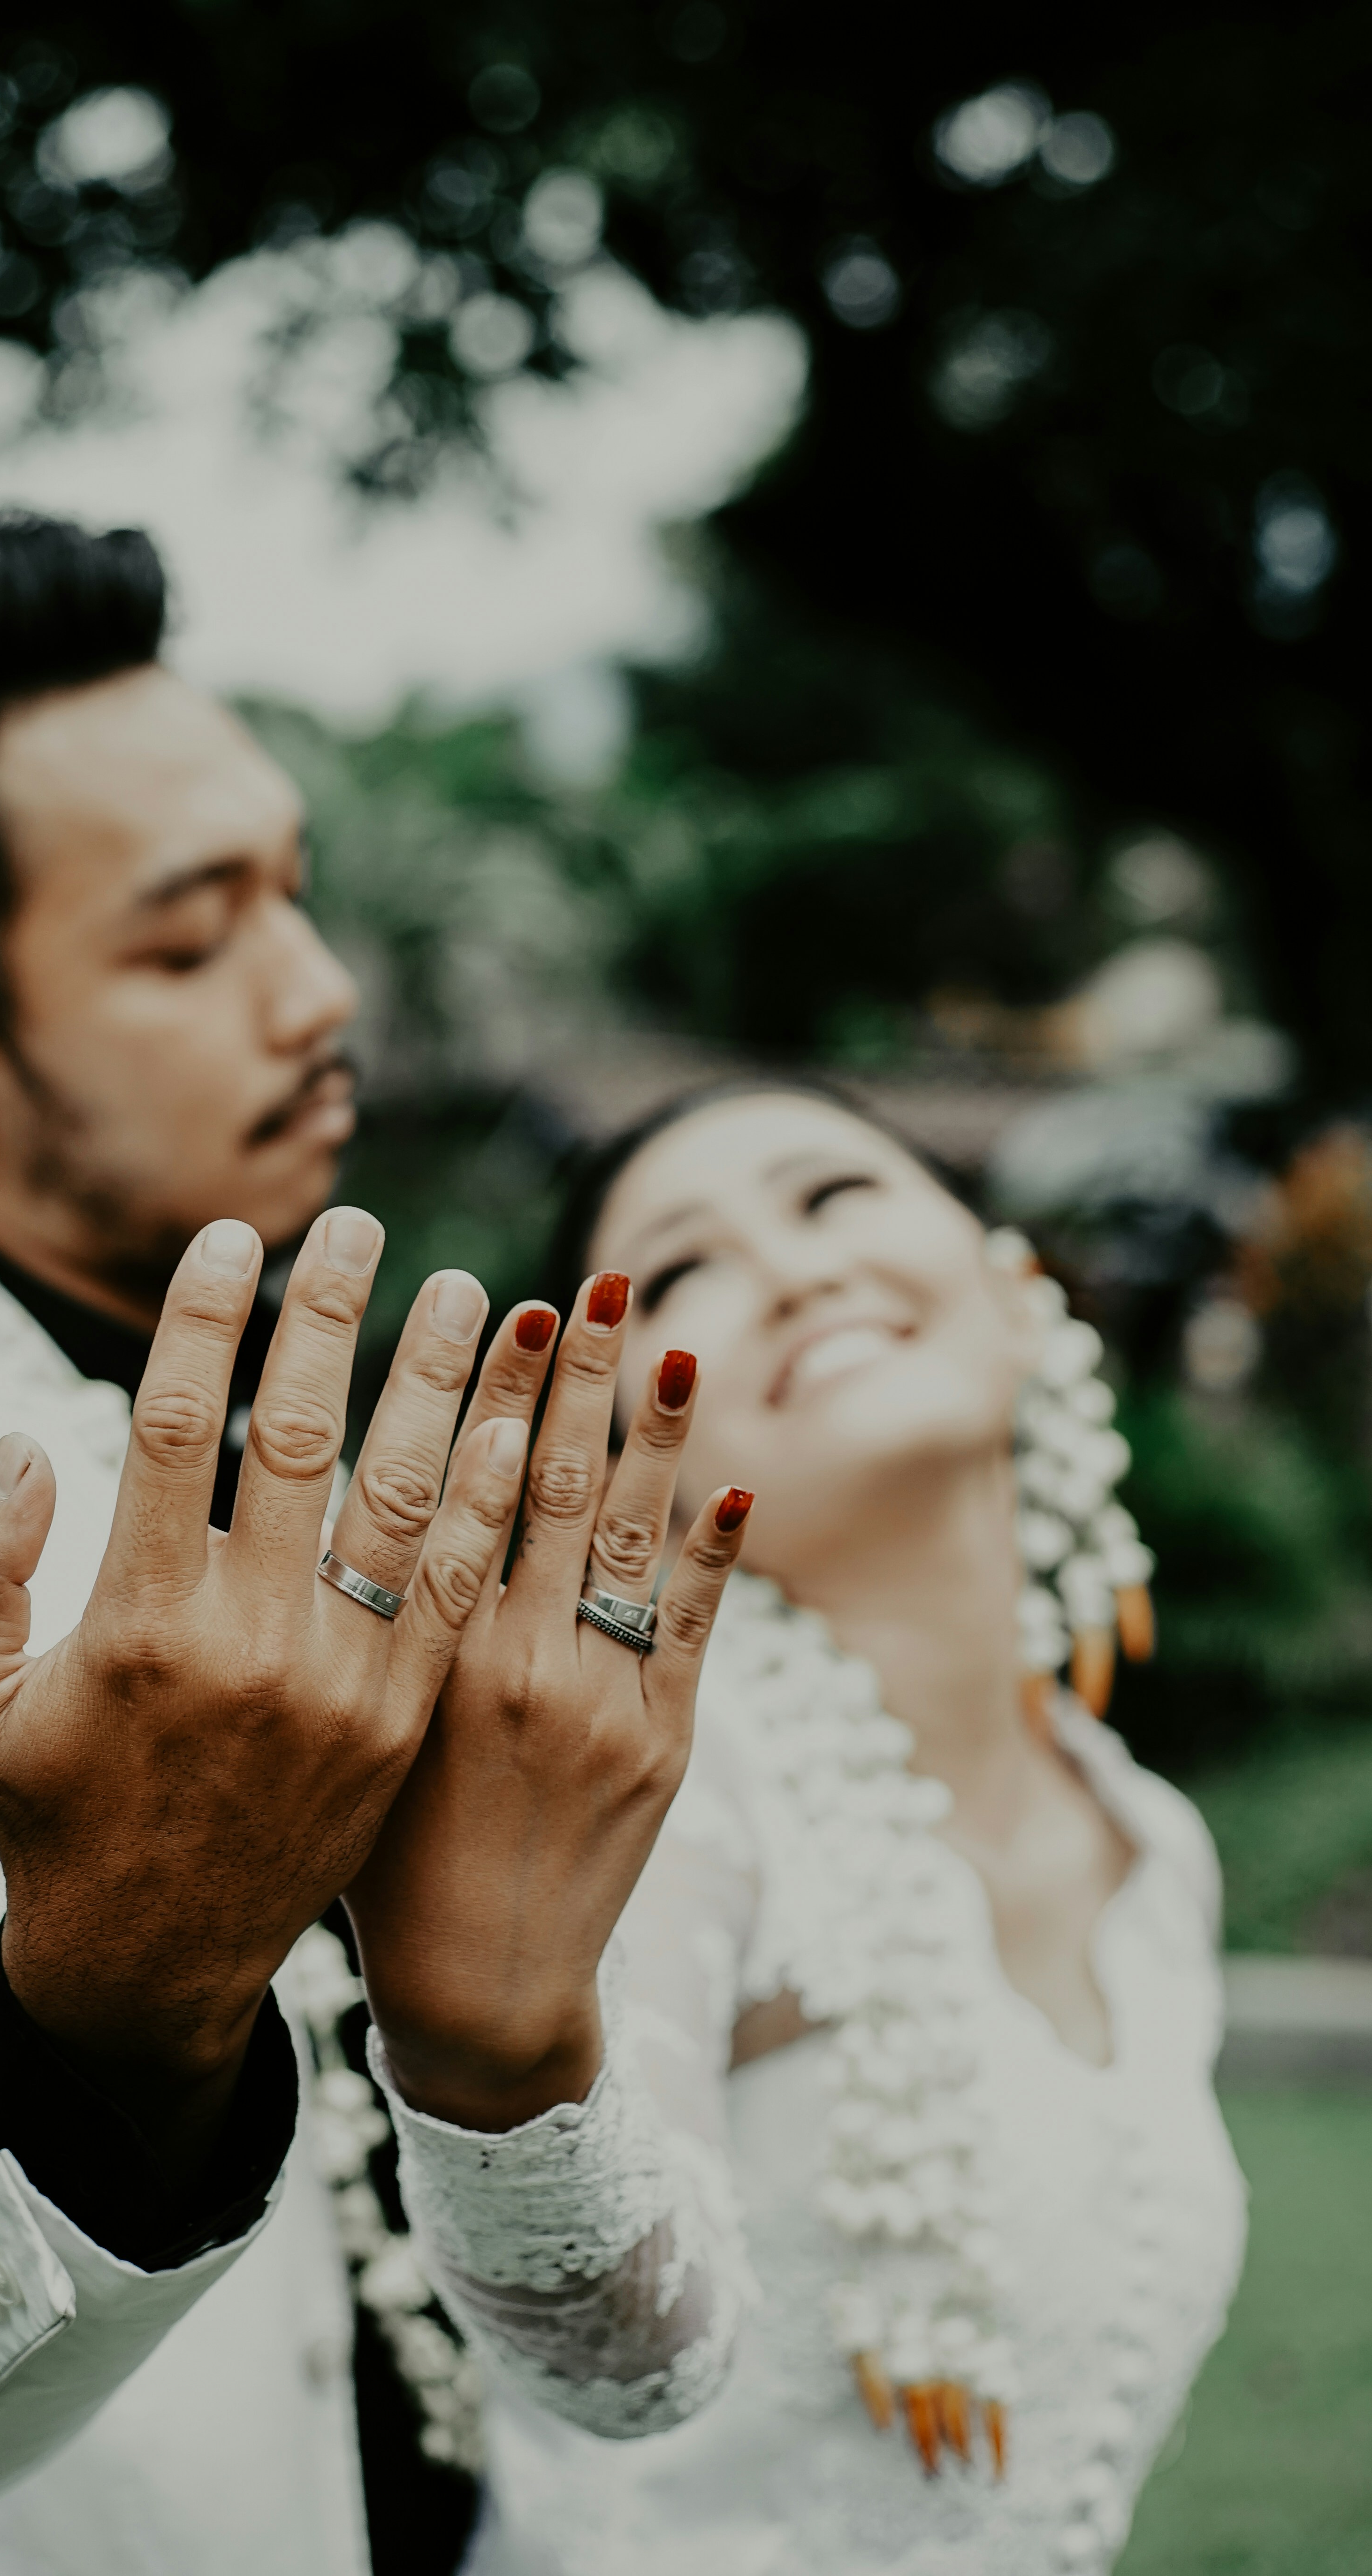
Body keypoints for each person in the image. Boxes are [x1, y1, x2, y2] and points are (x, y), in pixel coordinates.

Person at [0, 516, 749, 2576]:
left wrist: (507, 2023)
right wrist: (118, 1992)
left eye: (292, 895)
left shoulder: (261, 1436)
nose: (320, 991)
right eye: (191, 941)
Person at [364, 1084, 1247, 2576]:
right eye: (688, 1269)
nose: (790, 1267)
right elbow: (613, 2356)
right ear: (622, 1439)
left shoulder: (1156, 1850)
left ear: (1016, 1287)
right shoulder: (683, 1803)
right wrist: (500, 2077)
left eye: (833, 1196)